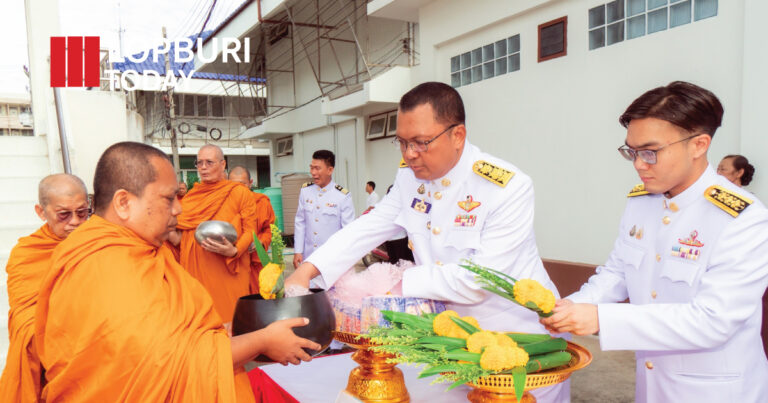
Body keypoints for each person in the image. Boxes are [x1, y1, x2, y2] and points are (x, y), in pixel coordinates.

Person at [286, 82, 567, 402]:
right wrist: (308, 269)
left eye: (421, 143)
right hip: (448, 341)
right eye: (402, 142)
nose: (409, 154)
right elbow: (369, 226)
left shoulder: (506, 187)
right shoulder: (409, 177)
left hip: (514, 346)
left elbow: (480, 278)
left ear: (457, 135)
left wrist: (399, 285)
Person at [34, 142, 320, 402]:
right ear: (123, 203)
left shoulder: (143, 250)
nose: (179, 209)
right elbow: (164, 364)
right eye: (168, 199)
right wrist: (262, 340)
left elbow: (170, 334)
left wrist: (228, 331)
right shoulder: (103, 263)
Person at [540, 82, 768, 403]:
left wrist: (601, 319)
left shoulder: (741, 217)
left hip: (714, 391)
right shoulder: (642, 202)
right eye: (631, 152)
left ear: (699, 144)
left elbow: (713, 320)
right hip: (652, 385)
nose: (638, 164)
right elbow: (617, 272)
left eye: (650, 152)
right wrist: (572, 307)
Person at [0, 174, 88, 402]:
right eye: (63, 215)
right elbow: (25, 319)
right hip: (53, 362)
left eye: (82, 212)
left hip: (98, 357)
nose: (75, 222)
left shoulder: (101, 243)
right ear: (41, 212)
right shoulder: (28, 254)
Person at [173, 145, 259, 321]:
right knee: (201, 320)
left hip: (228, 269)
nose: (203, 167)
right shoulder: (191, 197)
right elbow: (181, 235)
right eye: (199, 163)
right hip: (196, 271)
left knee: (229, 321)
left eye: (209, 162)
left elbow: (251, 230)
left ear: (222, 164)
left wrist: (234, 251)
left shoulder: (239, 193)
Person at [292, 150, 354, 269]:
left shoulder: (342, 196)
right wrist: (298, 251)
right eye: (311, 168)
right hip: (308, 257)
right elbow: (300, 222)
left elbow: (347, 231)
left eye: (317, 168)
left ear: (330, 170)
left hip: (332, 259)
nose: (313, 173)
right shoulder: (305, 191)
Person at [228, 166, 276, 294]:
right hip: (233, 261)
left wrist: (261, 242)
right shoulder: (224, 204)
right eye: (234, 185)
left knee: (257, 299)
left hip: (255, 260)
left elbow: (269, 229)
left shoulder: (262, 202)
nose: (238, 189)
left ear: (250, 183)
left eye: (242, 184)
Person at [383, 185, 414, 264]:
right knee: (402, 263)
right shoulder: (402, 204)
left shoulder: (385, 204)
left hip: (389, 239)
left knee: (394, 262)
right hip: (400, 238)